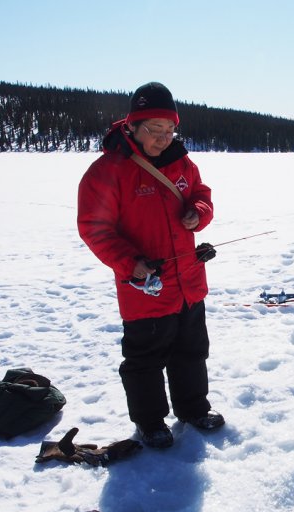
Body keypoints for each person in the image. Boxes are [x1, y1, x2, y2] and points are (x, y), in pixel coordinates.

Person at [78, 81, 224, 448]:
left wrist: (199, 212)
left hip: (188, 282)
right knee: (144, 360)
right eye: (154, 130)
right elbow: (93, 228)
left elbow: (200, 193)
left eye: (169, 129)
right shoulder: (107, 171)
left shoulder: (182, 163)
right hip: (146, 287)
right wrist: (131, 263)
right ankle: (150, 421)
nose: (163, 138)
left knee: (191, 351)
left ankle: (192, 409)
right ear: (131, 126)